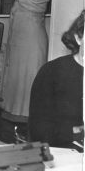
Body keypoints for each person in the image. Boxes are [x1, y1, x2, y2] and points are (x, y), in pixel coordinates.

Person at [29, 10, 84, 149]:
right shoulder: (52, 72)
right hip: (64, 152)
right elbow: (39, 131)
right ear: (78, 37)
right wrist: (78, 132)